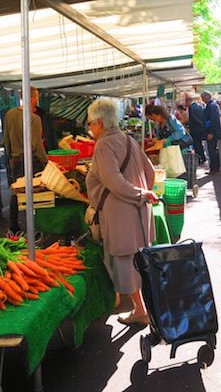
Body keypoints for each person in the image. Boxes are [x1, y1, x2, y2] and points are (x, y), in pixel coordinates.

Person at [85, 98, 158, 326]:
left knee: (125, 262)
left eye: (90, 123)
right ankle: (146, 308)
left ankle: (140, 310)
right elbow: (150, 171)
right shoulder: (127, 139)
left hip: (121, 214)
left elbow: (113, 181)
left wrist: (138, 195)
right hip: (138, 211)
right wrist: (143, 193)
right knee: (139, 260)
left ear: (99, 122)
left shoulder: (104, 145)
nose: (89, 128)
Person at [3, 86, 49, 233]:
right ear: (33, 98)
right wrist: (46, 162)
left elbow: (6, 139)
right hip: (32, 161)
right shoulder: (34, 119)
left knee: (17, 192)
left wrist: (10, 157)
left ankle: (13, 227)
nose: (38, 100)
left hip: (16, 160)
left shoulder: (9, 114)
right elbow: (37, 144)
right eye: (37, 97)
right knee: (35, 193)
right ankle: (35, 228)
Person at [201, 91, 221, 175]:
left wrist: (211, 132)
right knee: (213, 150)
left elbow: (213, 120)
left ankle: (214, 168)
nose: (202, 100)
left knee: (212, 150)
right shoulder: (211, 105)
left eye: (203, 98)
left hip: (212, 132)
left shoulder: (212, 106)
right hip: (212, 132)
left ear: (207, 97)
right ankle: (215, 167)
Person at [186, 94, 207, 164]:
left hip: (195, 129)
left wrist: (189, 125)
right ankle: (203, 157)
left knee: (197, 145)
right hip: (200, 129)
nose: (186, 104)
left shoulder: (191, 108)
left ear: (189, 101)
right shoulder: (198, 106)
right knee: (200, 144)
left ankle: (199, 158)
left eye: (186, 102)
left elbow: (193, 118)